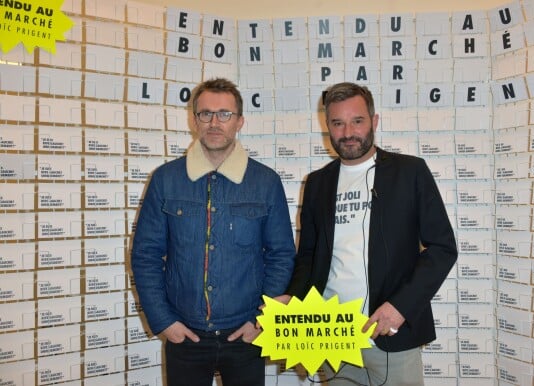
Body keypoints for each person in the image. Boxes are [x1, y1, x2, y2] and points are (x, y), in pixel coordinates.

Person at [280, 82, 458, 385]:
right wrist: (293, 299)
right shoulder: (318, 183)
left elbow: (442, 248)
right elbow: (308, 256)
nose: (348, 132)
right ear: (328, 126)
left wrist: (400, 306)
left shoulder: (410, 171)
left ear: (374, 121)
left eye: (357, 121)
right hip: (332, 336)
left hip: (390, 335)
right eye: (337, 123)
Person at [131, 78, 296, 386]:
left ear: (240, 121)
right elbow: (145, 255)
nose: (214, 123)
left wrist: (262, 319)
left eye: (224, 114)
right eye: (205, 114)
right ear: (194, 120)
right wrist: (164, 321)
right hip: (185, 338)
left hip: (246, 337)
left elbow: (282, 254)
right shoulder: (165, 180)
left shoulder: (266, 182)